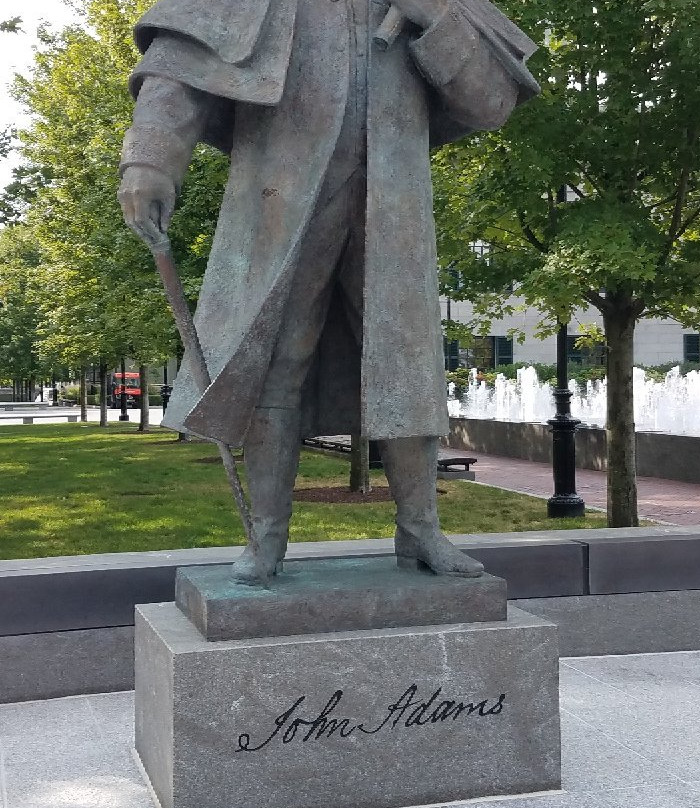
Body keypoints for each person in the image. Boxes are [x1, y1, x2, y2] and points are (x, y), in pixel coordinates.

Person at [118, 0, 539, 584]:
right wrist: (150, 158)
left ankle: (421, 527)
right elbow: (180, 60)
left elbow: (490, 103)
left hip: (391, 202)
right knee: (272, 357)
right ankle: (267, 534)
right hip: (282, 197)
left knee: (405, 363)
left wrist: (435, 16)